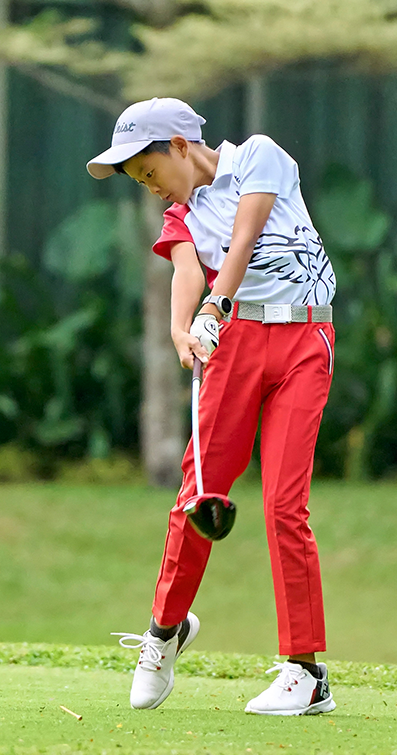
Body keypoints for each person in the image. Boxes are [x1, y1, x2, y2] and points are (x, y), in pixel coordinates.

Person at [86, 97, 337, 716]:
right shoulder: (182, 212)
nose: (150, 189)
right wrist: (181, 329)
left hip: (306, 339)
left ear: (177, 144)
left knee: (286, 505)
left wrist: (212, 306)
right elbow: (184, 270)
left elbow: (245, 239)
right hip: (236, 347)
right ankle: (164, 635)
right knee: (199, 497)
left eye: (148, 171)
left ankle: (305, 673)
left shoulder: (259, 156)